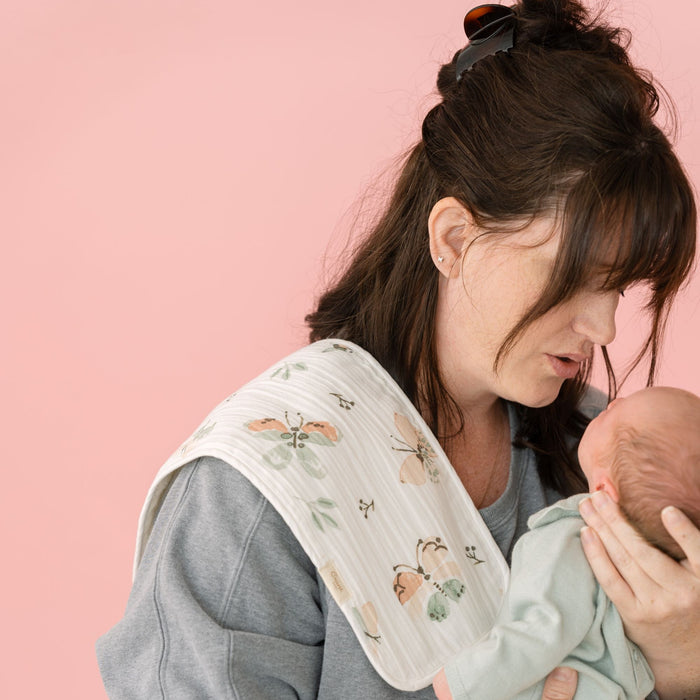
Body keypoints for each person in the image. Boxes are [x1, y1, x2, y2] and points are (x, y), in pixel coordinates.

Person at [96, 1, 700, 698]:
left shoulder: (596, 455)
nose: (604, 329)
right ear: (453, 240)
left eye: (619, 289)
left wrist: (685, 664)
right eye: (573, 278)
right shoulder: (258, 491)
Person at [433, 386, 700, 700]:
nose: (612, 401)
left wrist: (464, 682)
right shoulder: (654, 574)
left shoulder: (572, 542)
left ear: (603, 491)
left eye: (617, 412)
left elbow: (544, 628)